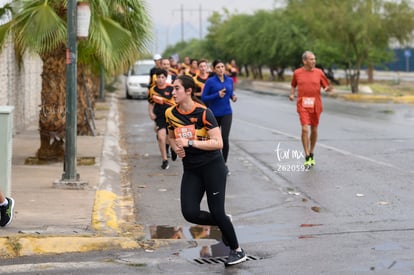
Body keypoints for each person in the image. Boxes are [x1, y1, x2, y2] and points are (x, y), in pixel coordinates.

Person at [166, 75, 247, 267]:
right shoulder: (170, 113)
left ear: (188, 91)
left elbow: (218, 143)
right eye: (173, 88)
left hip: (212, 167)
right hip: (191, 169)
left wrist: (190, 142)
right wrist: (176, 147)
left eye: (177, 88)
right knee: (190, 212)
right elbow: (171, 136)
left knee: (216, 210)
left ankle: (237, 250)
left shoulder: (204, 113)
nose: (173, 92)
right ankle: (224, 223)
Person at [289, 51, 333, 167]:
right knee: (304, 129)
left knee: (314, 129)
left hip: (315, 104)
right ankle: (307, 155)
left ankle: (312, 152)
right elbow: (293, 85)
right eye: (311, 59)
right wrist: (292, 94)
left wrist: (329, 89)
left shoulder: (319, 72)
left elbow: (326, 87)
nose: (314, 61)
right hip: (303, 104)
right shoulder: (297, 73)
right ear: (304, 61)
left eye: (314, 59)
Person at [201, 60, 237, 175]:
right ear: (214, 69)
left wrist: (233, 96)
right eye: (218, 67)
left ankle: (224, 164)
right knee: (214, 140)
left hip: (227, 112)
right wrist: (217, 95)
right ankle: (213, 162)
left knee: (225, 139)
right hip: (214, 114)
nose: (221, 69)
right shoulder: (210, 82)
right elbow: (204, 98)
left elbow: (230, 92)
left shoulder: (229, 80)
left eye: (222, 66)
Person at [148, 68, 176, 169]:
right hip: (160, 116)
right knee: (161, 137)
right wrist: (151, 112)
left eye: (162, 77)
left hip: (171, 116)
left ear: (166, 78)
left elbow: (176, 102)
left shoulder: (171, 88)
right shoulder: (153, 89)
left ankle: (173, 149)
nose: (160, 79)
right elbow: (151, 102)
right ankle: (164, 160)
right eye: (158, 77)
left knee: (170, 137)